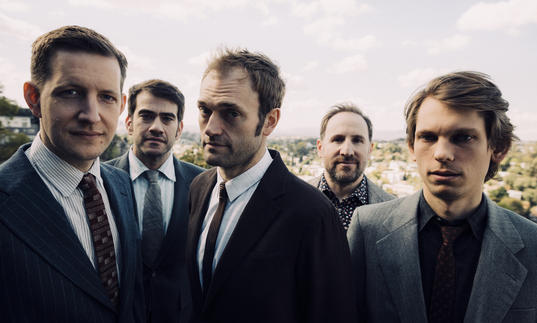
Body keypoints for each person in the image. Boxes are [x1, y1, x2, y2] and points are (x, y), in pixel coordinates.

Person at [347, 71, 537, 323]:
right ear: (412, 147)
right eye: (428, 137)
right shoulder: (367, 229)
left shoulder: (532, 246)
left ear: (498, 148)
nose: (442, 153)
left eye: (463, 138)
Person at [186, 48, 356, 323]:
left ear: (269, 121)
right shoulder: (198, 188)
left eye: (231, 114)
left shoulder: (312, 213)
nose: (211, 128)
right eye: (205, 110)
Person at [0, 25, 143, 322]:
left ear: (122, 105)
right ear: (33, 98)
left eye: (106, 97)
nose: (92, 115)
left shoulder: (121, 184)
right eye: (71, 92)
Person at [107, 79, 203, 323]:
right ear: (129, 123)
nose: (156, 127)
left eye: (167, 119)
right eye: (146, 116)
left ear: (179, 129)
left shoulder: (202, 184)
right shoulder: (100, 181)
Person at [310, 103, 394, 230]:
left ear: (370, 150)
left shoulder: (393, 211)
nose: (347, 151)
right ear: (320, 148)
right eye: (338, 139)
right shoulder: (293, 200)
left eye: (357, 140)